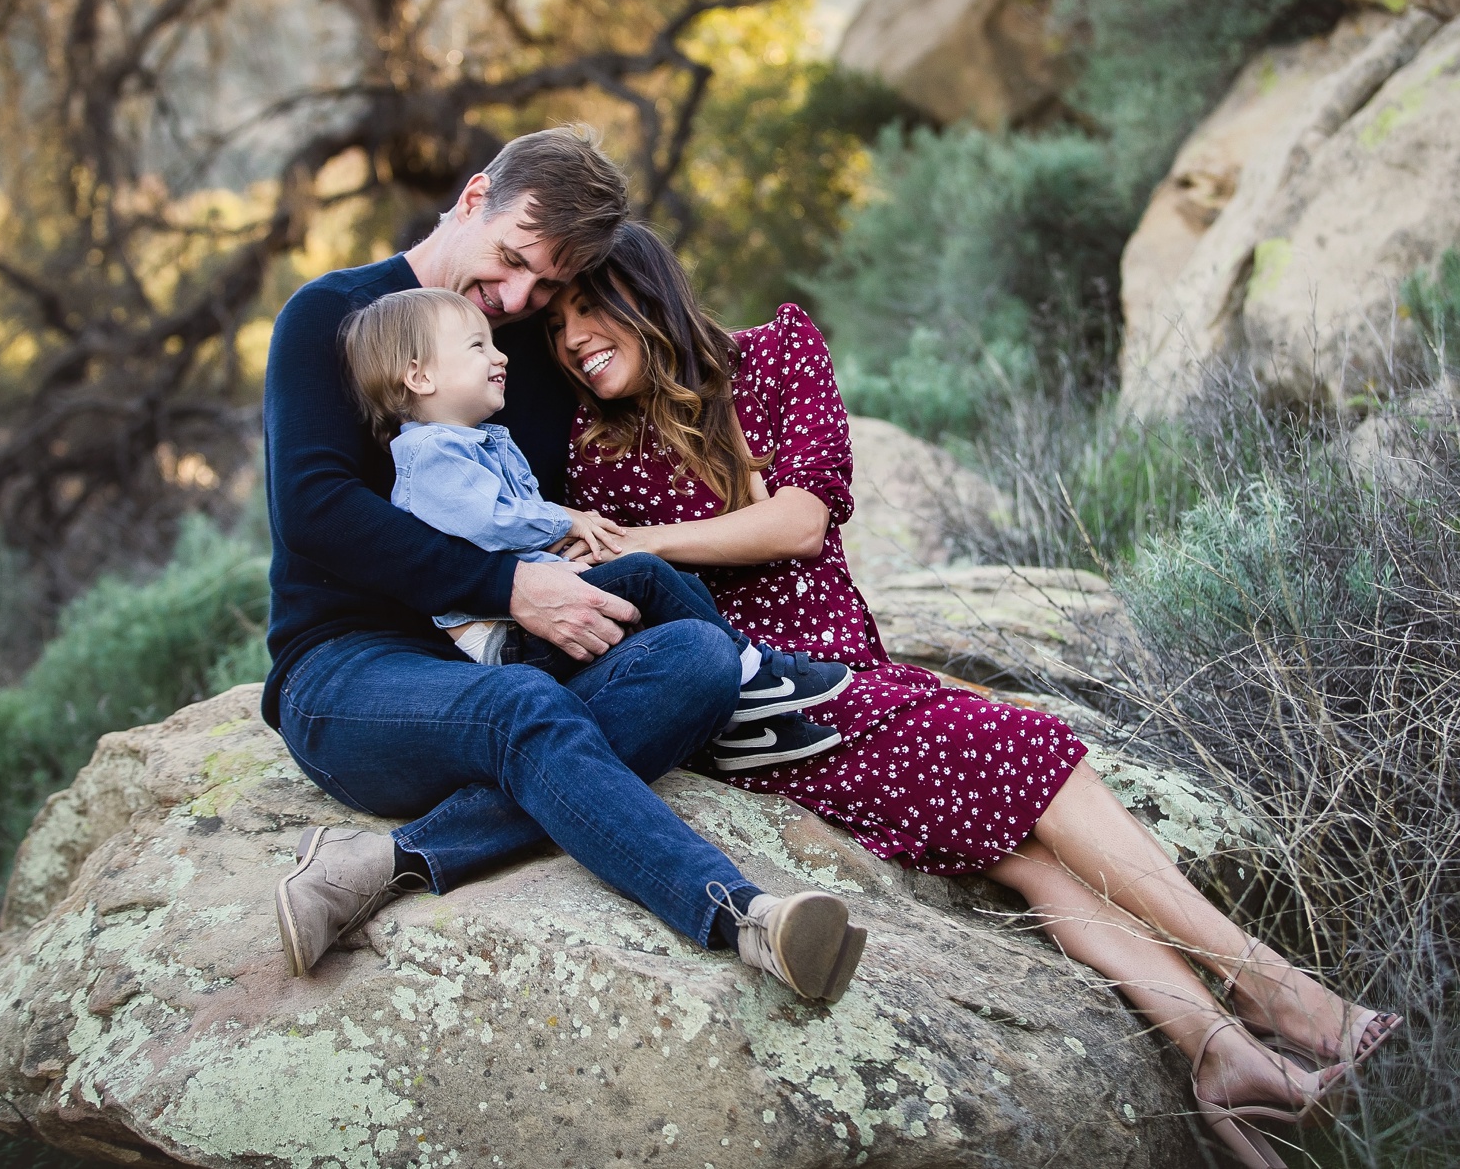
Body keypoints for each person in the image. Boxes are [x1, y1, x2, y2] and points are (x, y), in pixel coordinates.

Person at [547, 222, 1402, 1169]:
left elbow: (797, 523)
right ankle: (1273, 991)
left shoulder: (780, 351)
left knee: (1031, 853)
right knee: (1033, 752)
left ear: (648, 289)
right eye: (558, 323)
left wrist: (642, 540)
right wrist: (625, 542)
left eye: (590, 306)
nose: (574, 336)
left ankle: (1221, 1053)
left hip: (852, 676)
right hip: (761, 701)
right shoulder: (592, 455)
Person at [260, 127, 865, 1003]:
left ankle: (390, 858)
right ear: (474, 198)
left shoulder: (519, 361)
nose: (516, 298)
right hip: (347, 671)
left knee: (696, 659)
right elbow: (315, 509)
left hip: (506, 651)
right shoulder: (334, 315)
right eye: (510, 259)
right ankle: (749, 917)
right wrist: (508, 586)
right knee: (526, 707)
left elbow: (637, 406)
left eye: (545, 286)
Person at [337, 283, 853, 772]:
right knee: (645, 576)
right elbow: (490, 521)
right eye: (478, 346)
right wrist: (568, 520)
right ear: (420, 377)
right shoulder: (430, 455)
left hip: (528, 620)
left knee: (664, 597)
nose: (501, 357)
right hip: (508, 636)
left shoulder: (475, 443)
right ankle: (758, 671)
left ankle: (747, 724)